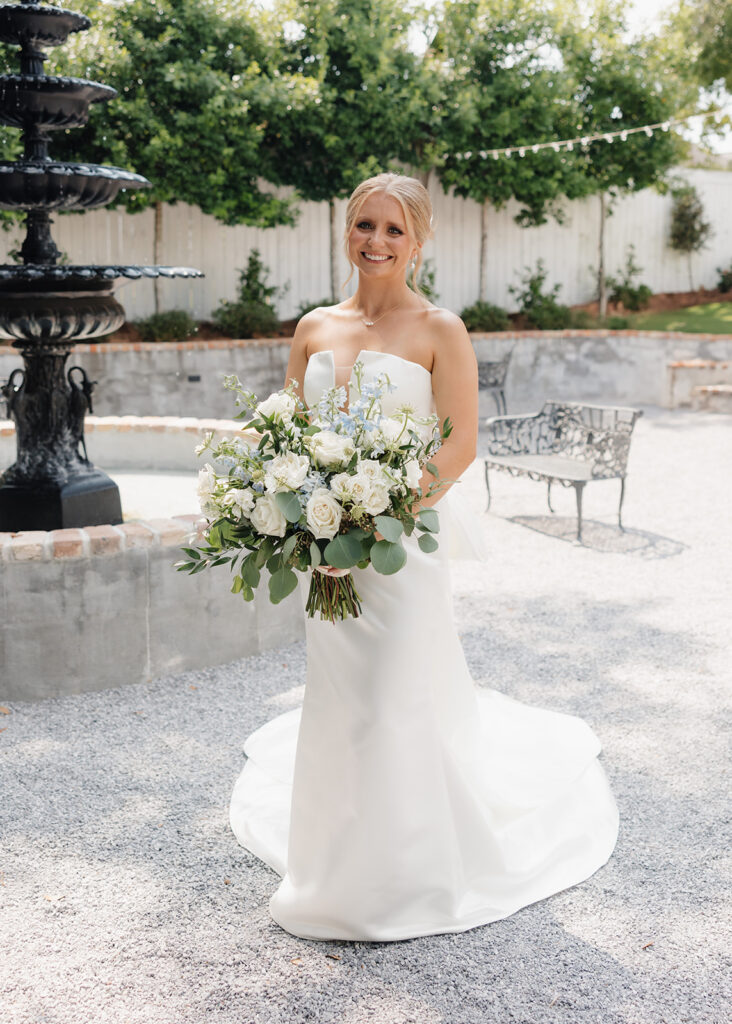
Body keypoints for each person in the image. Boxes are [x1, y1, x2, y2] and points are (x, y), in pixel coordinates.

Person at [229, 173, 619, 942]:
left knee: (391, 697)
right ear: (347, 231)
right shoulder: (313, 326)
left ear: (419, 239)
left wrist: (372, 525)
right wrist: (300, 521)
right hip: (322, 549)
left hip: (399, 548)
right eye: (364, 226)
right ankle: (335, 864)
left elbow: (461, 443)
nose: (376, 242)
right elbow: (288, 434)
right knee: (341, 701)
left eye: (393, 230)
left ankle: (403, 876)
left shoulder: (441, 328)